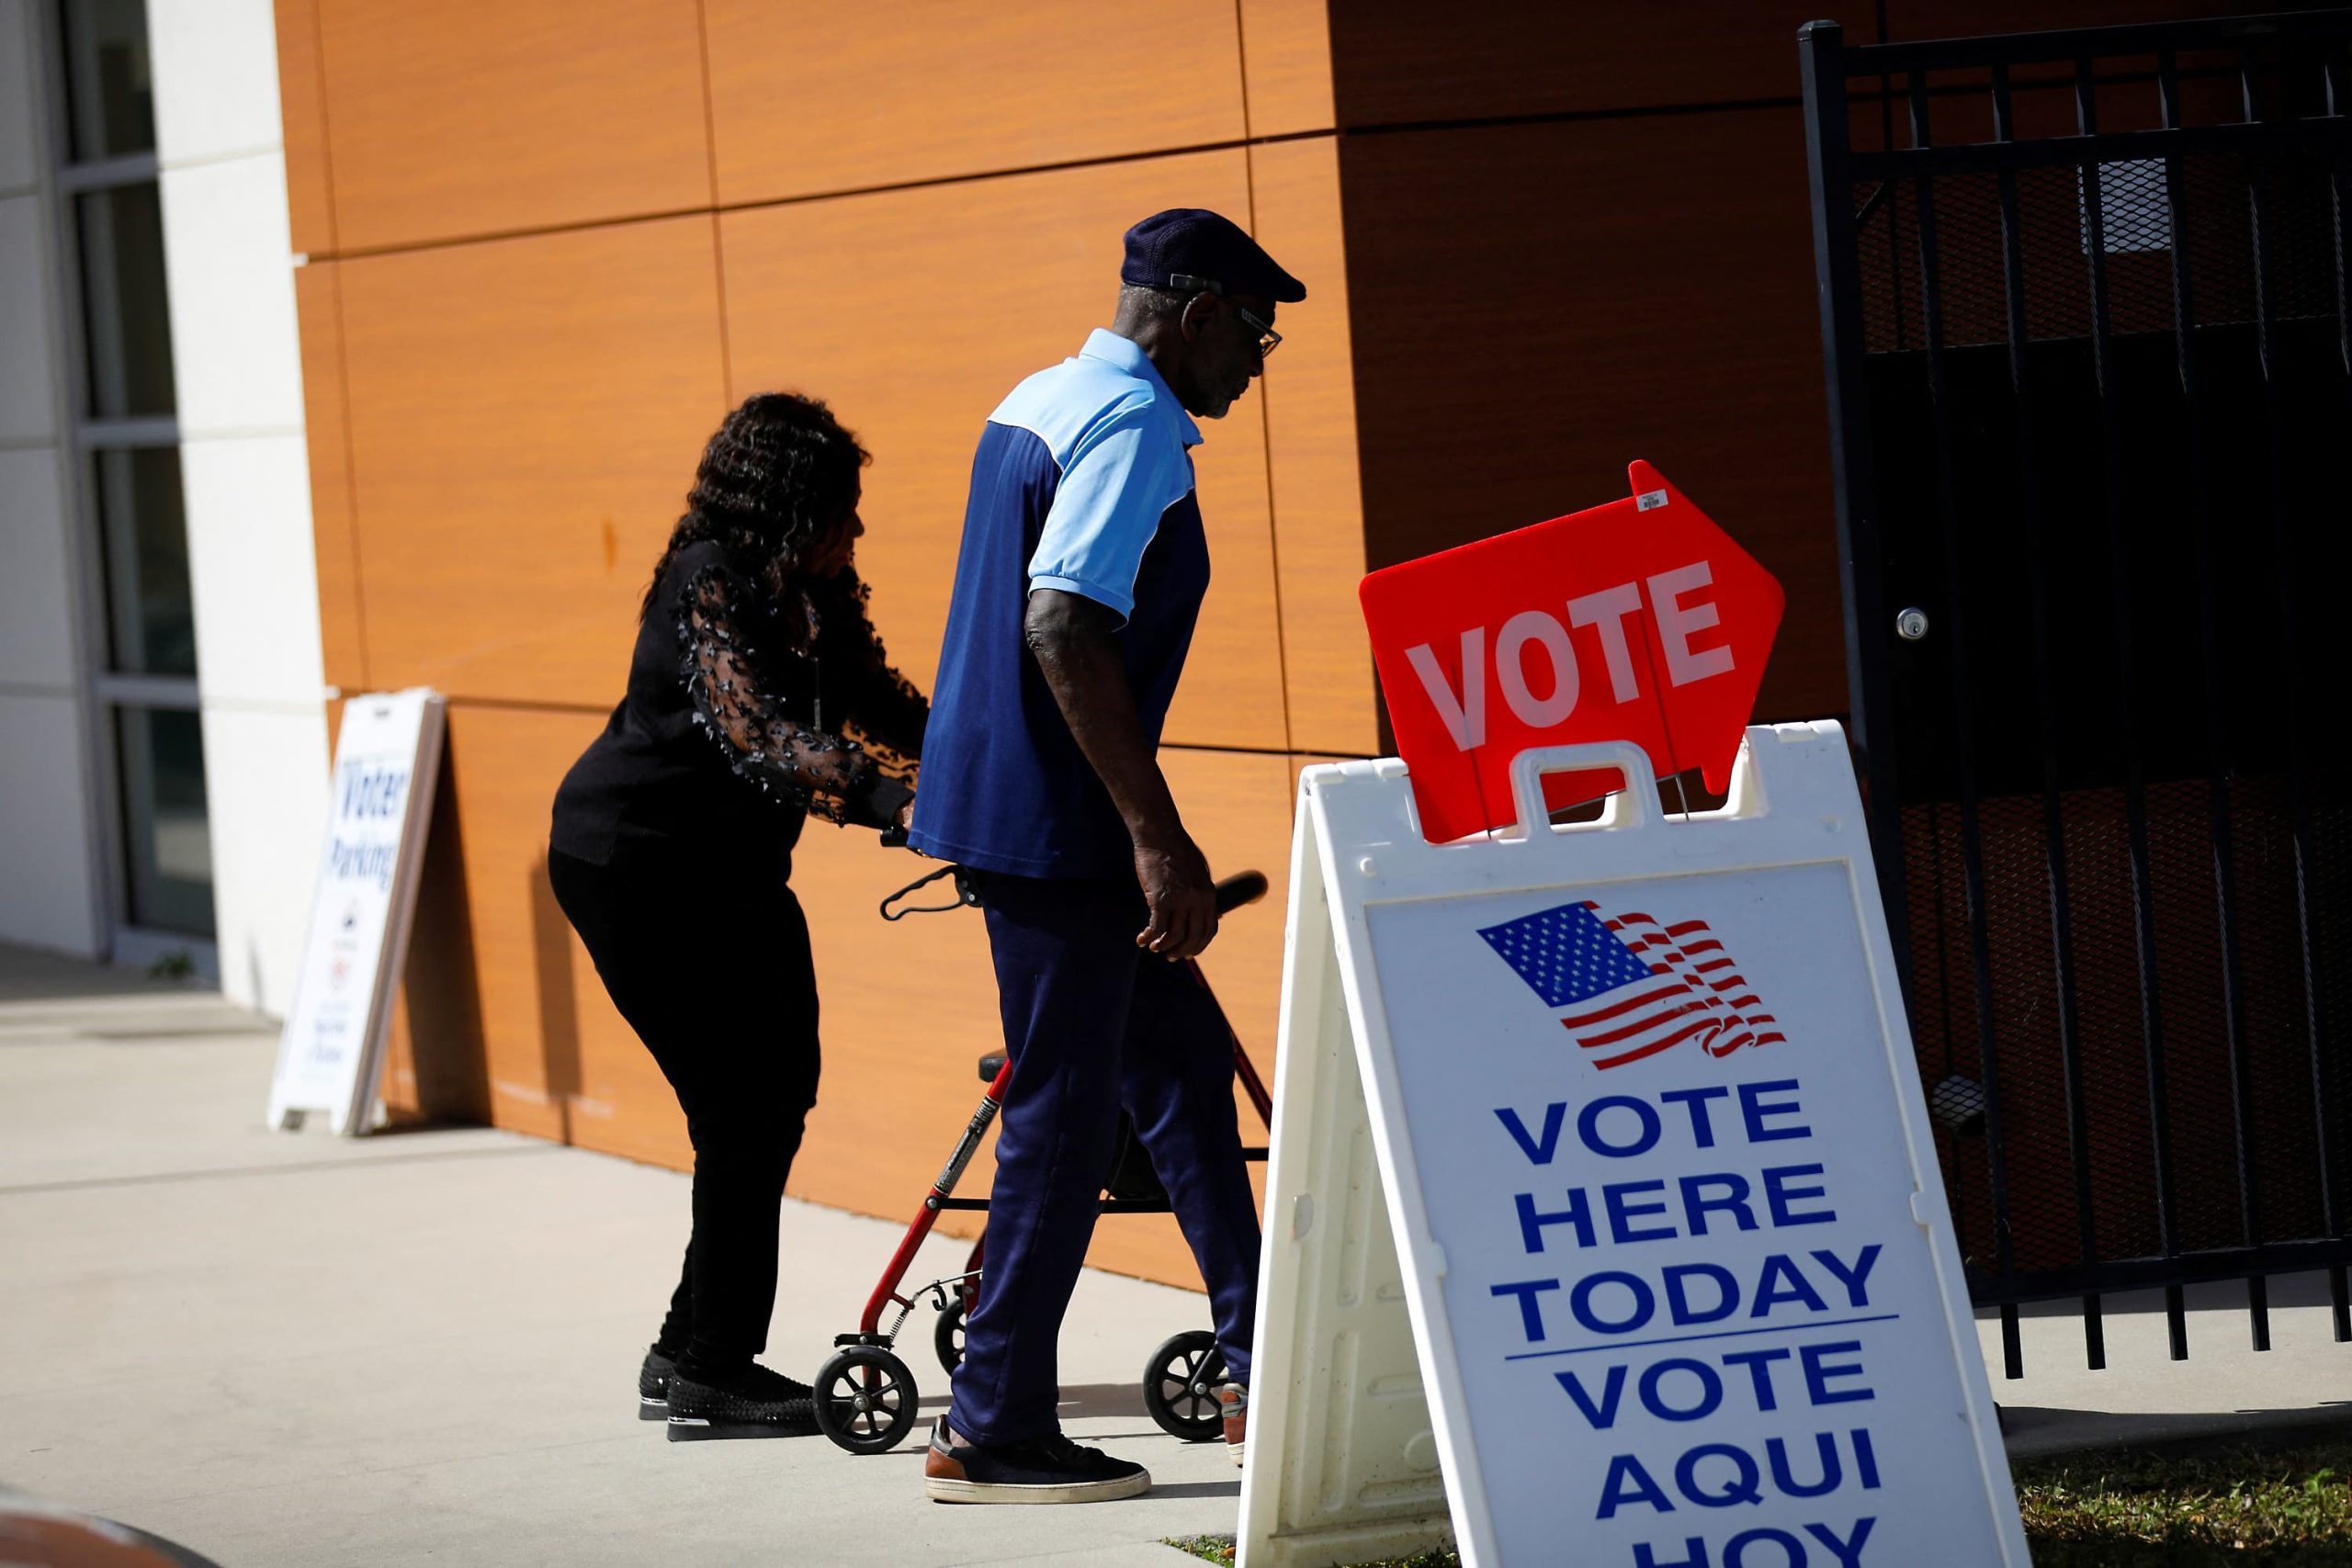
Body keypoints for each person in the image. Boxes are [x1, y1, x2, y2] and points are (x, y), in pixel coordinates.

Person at [907, 209, 1303, 1503]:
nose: (1255, 361)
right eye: (1254, 333)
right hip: (1064, 832)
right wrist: (1155, 832)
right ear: (1195, 316)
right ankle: (997, 1421)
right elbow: (1063, 624)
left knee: (1181, 1072)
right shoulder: (1132, 427)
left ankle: (1261, 1352)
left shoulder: (1039, 394)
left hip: (1016, 810)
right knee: (1063, 1126)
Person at [547, 392, 927, 1440]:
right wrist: (898, 802)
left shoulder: (812, 589)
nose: (855, 533)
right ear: (788, 506)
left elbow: (871, 698)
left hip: (729, 876)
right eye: (841, 512)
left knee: (772, 1092)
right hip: (635, 867)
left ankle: (689, 1350)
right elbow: (756, 731)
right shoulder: (706, 579)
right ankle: (711, 1362)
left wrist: (968, 763)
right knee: (744, 1109)